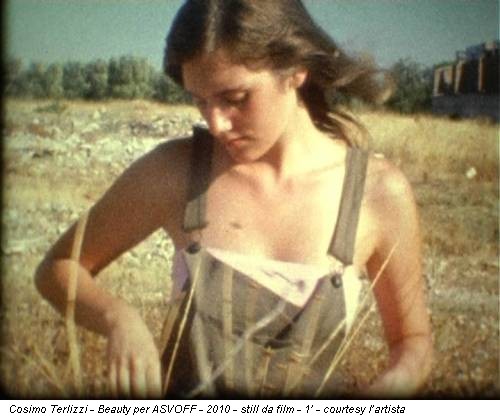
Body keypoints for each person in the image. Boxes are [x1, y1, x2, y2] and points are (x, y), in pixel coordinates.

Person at [35, 0, 432, 399]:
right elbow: (58, 267)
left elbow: (412, 343)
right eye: (200, 100)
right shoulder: (175, 173)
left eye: (236, 98)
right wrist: (118, 319)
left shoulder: (376, 192)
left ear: (296, 70)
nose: (216, 123)